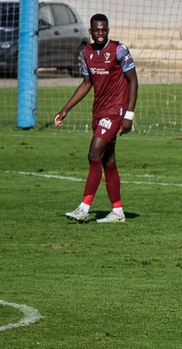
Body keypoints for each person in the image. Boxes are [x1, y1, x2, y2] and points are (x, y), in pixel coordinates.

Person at [54, 14, 139, 223]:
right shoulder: (87, 52)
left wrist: (129, 114)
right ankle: (118, 212)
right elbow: (86, 84)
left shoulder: (120, 50)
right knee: (108, 161)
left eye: (104, 29)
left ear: (108, 30)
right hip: (99, 111)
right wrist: (66, 109)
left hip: (115, 111)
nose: (101, 33)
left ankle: (83, 208)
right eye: (97, 30)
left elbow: (133, 81)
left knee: (94, 154)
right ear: (91, 32)